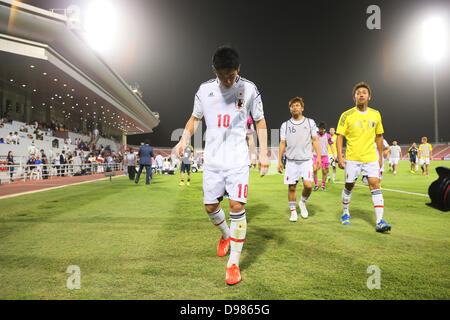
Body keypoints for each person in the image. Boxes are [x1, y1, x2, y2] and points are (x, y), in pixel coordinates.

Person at [174, 46, 268, 285]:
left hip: (238, 159)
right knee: (210, 207)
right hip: (213, 160)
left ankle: (233, 264)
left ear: (239, 69)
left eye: (232, 75)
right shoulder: (204, 90)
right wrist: (184, 139)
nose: (227, 80)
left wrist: (264, 152)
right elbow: (195, 118)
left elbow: (260, 121)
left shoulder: (249, 88)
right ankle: (226, 235)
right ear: (214, 70)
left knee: (236, 206)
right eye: (222, 75)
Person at [336, 81, 391, 233]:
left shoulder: (376, 114)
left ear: (369, 97)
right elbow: (339, 136)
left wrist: (380, 157)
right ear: (354, 97)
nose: (361, 94)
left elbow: (379, 136)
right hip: (352, 158)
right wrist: (340, 157)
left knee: (375, 184)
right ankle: (345, 212)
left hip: (371, 158)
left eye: (364, 92)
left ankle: (380, 221)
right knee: (349, 186)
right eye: (358, 92)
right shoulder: (346, 115)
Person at [278, 97, 321, 222]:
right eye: (292, 106)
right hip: (291, 161)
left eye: (297, 105)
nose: (295, 107)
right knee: (292, 187)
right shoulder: (285, 125)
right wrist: (280, 160)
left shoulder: (310, 122)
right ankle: (293, 212)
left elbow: (315, 140)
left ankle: (302, 203)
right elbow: (282, 143)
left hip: (306, 160)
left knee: (308, 185)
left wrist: (318, 157)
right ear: (290, 109)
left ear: (302, 108)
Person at [313, 122, 332, 191]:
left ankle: (323, 185)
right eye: (319, 128)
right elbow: (313, 144)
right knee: (314, 169)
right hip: (315, 156)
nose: (319, 130)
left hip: (324, 156)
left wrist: (334, 154)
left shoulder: (328, 136)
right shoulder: (315, 135)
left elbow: (331, 145)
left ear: (323, 129)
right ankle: (316, 185)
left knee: (324, 171)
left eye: (320, 129)